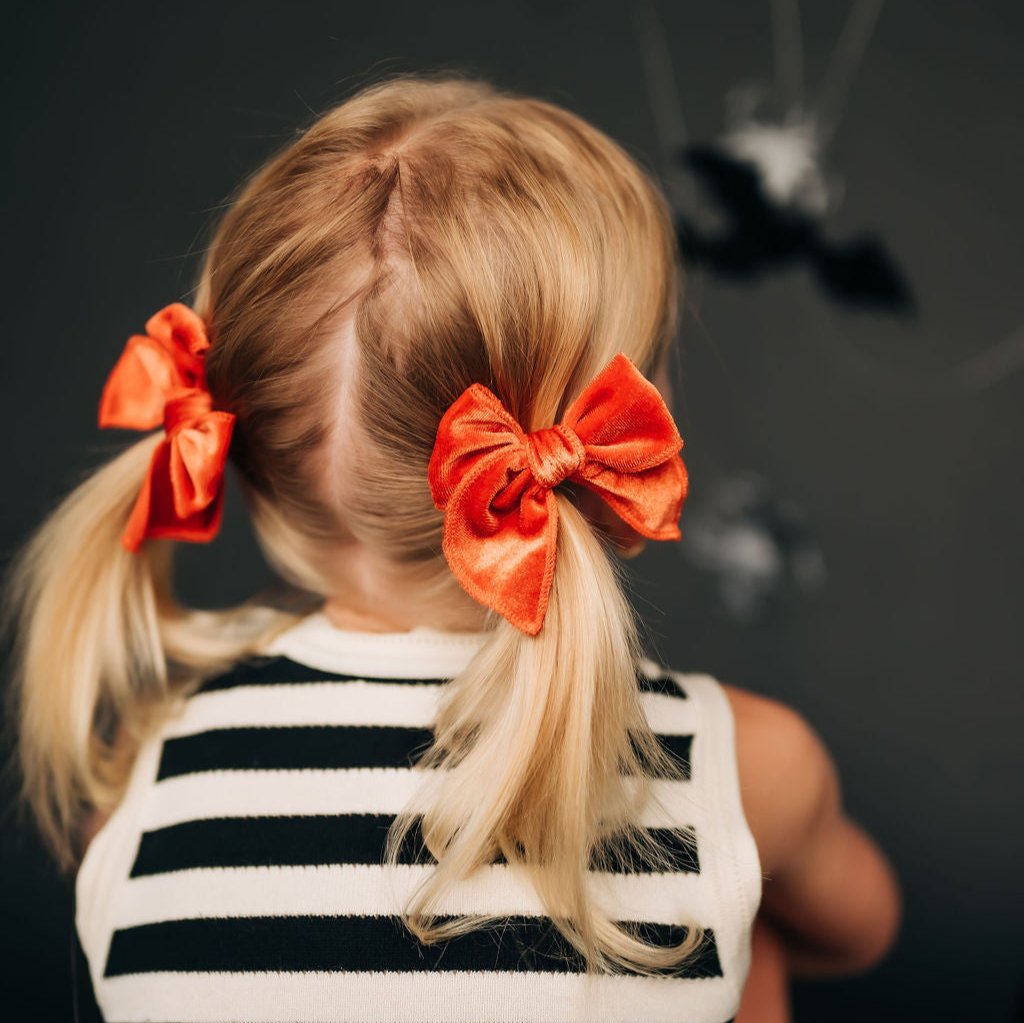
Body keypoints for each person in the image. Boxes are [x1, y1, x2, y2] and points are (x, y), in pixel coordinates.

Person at [2, 74, 901, 1023]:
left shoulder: (144, 787)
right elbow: (860, 929)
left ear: (240, 432)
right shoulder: (750, 766)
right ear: (626, 423)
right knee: (745, 938)